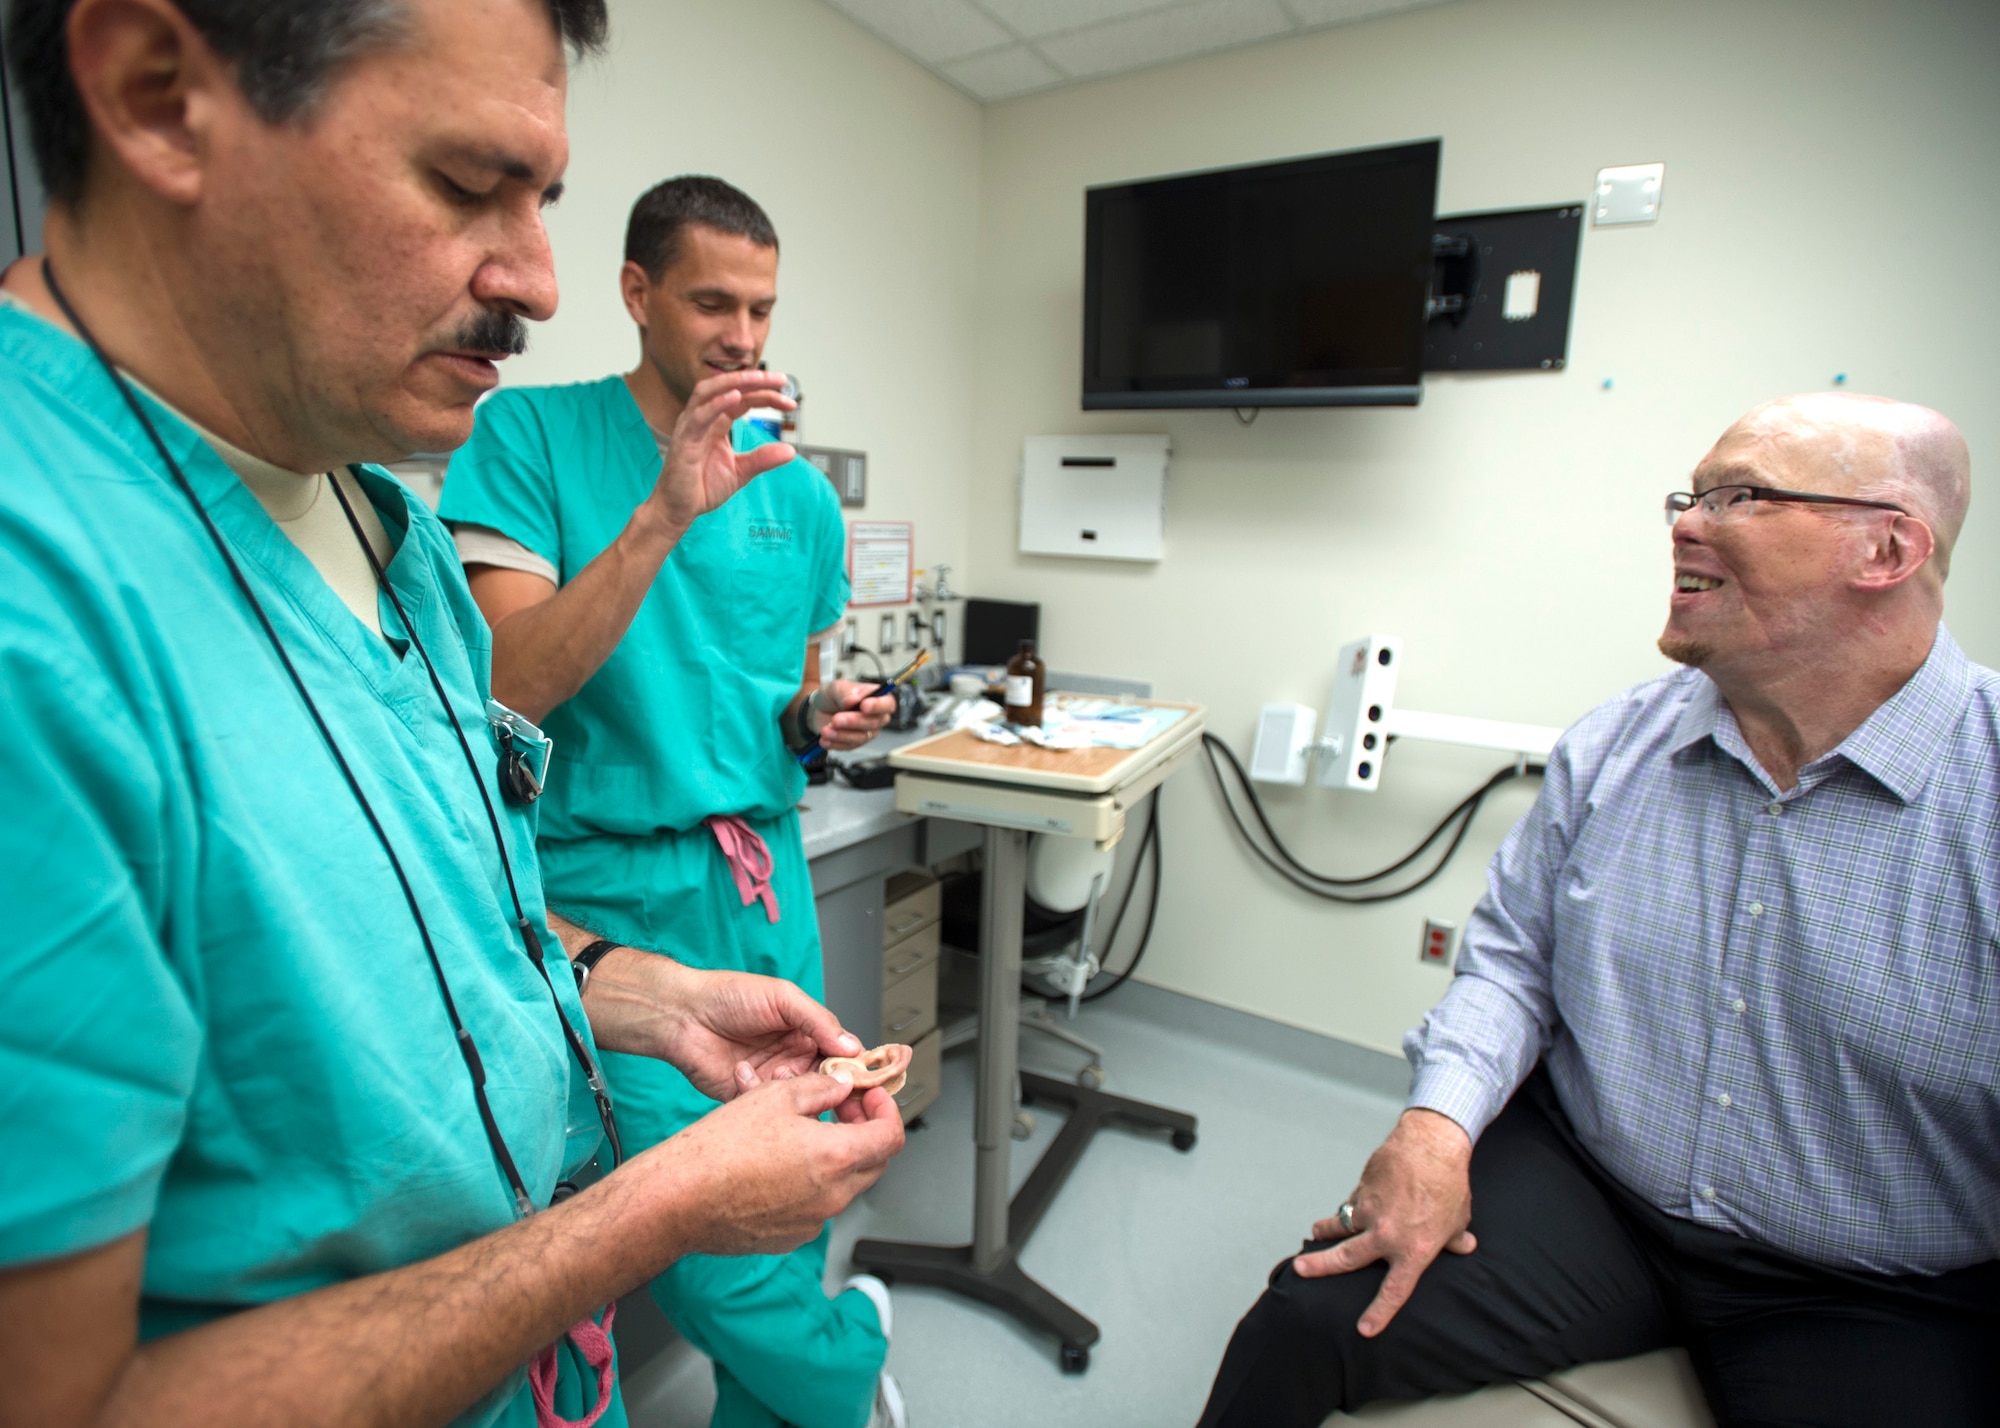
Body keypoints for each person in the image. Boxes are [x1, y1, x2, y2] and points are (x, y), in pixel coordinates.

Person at [0, 3, 905, 1426]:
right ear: (159, 94)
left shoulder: (382, 525)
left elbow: (431, 911)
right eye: (466, 183)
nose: (535, 282)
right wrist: (644, 1214)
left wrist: (633, 987)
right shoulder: (38, 601)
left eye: (538, 198)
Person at [1197, 394, 2000, 1427]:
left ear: (1885, 548)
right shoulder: (1613, 745)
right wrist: (1435, 1126)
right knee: (1306, 1324)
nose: (1684, 522)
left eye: (1739, 496)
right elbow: (1511, 966)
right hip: (1595, 1192)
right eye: (1689, 494)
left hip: (1874, 1288)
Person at [438, 175, 902, 1428]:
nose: (743, 337)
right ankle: (847, 1358)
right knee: (698, 1242)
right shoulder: (527, 440)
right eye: (711, 300)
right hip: (602, 903)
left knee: (789, 1190)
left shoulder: (798, 496)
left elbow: (776, 709)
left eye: (759, 306)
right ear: (637, 292)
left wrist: (821, 722)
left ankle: (793, 1394)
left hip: (761, 883)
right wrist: (660, 516)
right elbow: (501, 691)